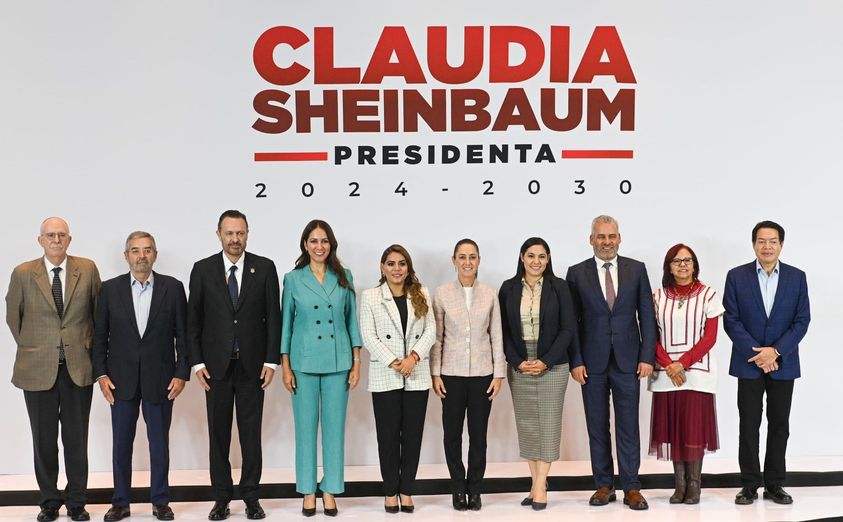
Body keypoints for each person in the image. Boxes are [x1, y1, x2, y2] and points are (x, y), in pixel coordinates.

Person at [5, 217, 101, 522]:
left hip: (78, 368)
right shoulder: (23, 273)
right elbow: (13, 318)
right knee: (43, 441)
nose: (56, 240)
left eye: (61, 235)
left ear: (69, 240)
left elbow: (98, 316)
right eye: (50, 235)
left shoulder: (86, 269)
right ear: (40, 240)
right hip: (37, 369)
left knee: (77, 440)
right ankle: (49, 501)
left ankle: (76, 502)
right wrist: (39, 347)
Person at [187, 210, 281, 521]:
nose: (235, 239)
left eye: (240, 233)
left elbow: (273, 319)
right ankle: (222, 498)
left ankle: (251, 496)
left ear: (248, 233)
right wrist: (197, 363)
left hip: (253, 367)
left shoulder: (264, 268)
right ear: (219, 234)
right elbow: (193, 321)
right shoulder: (202, 270)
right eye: (229, 233)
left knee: (251, 434)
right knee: (219, 435)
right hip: (215, 369)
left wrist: (271, 360)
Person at [92, 231, 189, 521]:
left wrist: (181, 372)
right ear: (126, 256)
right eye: (135, 250)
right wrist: (101, 374)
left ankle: (160, 500)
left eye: (147, 250)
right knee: (121, 443)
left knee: (159, 443)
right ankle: (120, 502)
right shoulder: (109, 290)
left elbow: (182, 336)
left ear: (155, 254)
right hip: (120, 381)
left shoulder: (173, 288)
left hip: (161, 379)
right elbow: (99, 338)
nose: (141, 256)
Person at [565, 215, 656, 511]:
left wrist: (646, 357)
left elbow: (647, 317)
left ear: (619, 238)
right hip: (591, 363)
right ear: (591, 239)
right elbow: (572, 324)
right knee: (597, 426)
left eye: (611, 236)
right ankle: (603, 484)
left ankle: (631, 486)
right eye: (601, 237)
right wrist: (575, 361)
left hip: (629, 361)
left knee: (628, 425)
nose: (606, 242)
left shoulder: (637, 270)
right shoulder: (576, 273)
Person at [724, 220, 810, 506]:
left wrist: (776, 352)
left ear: (781, 245)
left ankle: (774, 484)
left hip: (783, 363)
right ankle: (749, 484)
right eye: (762, 241)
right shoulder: (736, 276)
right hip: (748, 363)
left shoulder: (797, 277)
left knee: (779, 425)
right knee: (749, 424)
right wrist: (760, 354)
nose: (767, 246)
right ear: (753, 245)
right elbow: (731, 320)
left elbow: (801, 321)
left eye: (773, 241)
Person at [280, 219, 362, 517]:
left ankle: (329, 489)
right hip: (302, 362)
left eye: (324, 241)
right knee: (304, 429)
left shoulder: (344, 277)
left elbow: (352, 320)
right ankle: (307, 490)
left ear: (331, 245)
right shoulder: (292, 278)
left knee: (334, 428)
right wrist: (285, 366)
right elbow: (285, 325)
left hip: (339, 361)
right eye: (314, 241)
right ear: (305, 244)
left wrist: (356, 361)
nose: (319, 246)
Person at [498, 237, 577, 511]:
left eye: (542, 256)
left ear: (548, 258)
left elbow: (568, 328)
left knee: (549, 423)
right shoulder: (508, 288)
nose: (536, 261)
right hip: (520, 363)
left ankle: (541, 485)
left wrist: (545, 361)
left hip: (553, 364)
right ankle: (535, 483)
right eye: (531, 256)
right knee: (529, 425)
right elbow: (503, 331)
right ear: (521, 257)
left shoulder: (560, 287)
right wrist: (518, 361)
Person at [360, 244, 436, 514]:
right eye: (391, 263)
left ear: (408, 267)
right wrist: (396, 362)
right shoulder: (370, 297)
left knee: (413, 436)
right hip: (386, 374)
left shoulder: (421, 293)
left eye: (401, 263)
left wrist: (412, 359)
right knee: (388, 437)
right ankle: (390, 491)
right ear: (382, 267)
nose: (396, 268)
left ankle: (407, 490)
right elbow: (369, 336)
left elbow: (431, 332)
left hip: (416, 374)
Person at [430, 239, 505, 511]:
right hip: (451, 373)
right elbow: (437, 338)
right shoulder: (442, 294)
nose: (467, 262)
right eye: (462, 257)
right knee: (452, 434)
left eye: (472, 257)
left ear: (479, 260)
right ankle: (457, 488)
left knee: (478, 435)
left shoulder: (489, 293)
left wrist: (498, 374)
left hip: (483, 374)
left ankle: (475, 489)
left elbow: (496, 335)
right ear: (454, 260)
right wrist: (435, 373)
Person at [647, 244, 724, 504]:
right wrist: (669, 364)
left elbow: (710, 337)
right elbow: (650, 336)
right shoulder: (657, 296)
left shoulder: (708, 295)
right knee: (674, 430)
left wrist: (683, 363)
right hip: (666, 374)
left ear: (695, 265)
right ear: (668, 266)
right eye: (677, 261)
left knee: (692, 432)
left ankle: (694, 485)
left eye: (688, 260)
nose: (683, 265)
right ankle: (679, 485)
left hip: (696, 374)